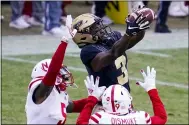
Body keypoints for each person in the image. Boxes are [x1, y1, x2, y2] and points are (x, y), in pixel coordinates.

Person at [25, 22, 98, 124]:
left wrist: (97, 98)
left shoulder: (56, 92)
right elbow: (52, 71)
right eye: (60, 71)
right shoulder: (40, 91)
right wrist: (64, 42)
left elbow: (74, 106)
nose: (63, 75)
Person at [76, 66, 167, 124]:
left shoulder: (100, 118)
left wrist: (92, 98)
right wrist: (151, 89)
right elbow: (161, 118)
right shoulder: (141, 117)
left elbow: (81, 123)